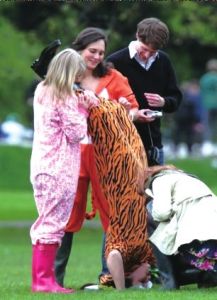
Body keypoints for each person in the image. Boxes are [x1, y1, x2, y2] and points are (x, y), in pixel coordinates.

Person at [54, 27, 141, 288]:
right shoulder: (65, 77)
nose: (96, 57)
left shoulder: (113, 77)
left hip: (106, 155)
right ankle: (53, 278)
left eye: (101, 53)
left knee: (110, 213)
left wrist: (127, 111)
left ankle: (108, 277)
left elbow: (133, 109)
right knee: (67, 213)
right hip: (72, 153)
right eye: (92, 51)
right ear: (79, 49)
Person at [30, 48, 98, 293]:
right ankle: (43, 281)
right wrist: (85, 109)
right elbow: (77, 132)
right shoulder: (66, 96)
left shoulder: (42, 90)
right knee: (54, 222)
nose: (78, 80)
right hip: (60, 166)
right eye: (77, 76)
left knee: (46, 220)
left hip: (41, 164)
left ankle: (43, 279)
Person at [88, 97, 154, 289]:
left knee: (121, 238)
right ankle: (129, 284)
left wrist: (127, 111)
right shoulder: (105, 107)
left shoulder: (101, 106)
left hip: (121, 166)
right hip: (128, 165)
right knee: (134, 232)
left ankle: (122, 287)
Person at [107, 17, 182, 166]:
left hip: (154, 145)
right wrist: (133, 115)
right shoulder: (114, 62)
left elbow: (176, 98)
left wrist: (164, 102)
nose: (147, 55)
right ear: (137, 36)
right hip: (122, 144)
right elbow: (105, 105)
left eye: (153, 52)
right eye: (144, 49)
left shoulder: (164, 61)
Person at [144, 164, 217, 288]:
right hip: (211, 226)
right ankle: (208, 277)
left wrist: (151, 208)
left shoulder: (160, 180)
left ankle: (169, 281)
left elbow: (162, 212)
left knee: (149, 217)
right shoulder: (189, 178)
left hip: (195, 229)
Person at [172, 80, 205, 156]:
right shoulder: (192, 97)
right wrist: (197, 121)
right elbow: (195, 110)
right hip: (189, 119)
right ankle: (189, 150)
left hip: (180, 119)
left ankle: (176, 149)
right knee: (189, 135)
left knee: (179, 134)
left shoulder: (179, 98)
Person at [200, 59, 217, 145]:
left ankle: (207, 143)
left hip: (207, 104)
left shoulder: (204, 78)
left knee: (207, 125)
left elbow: (202, 91)